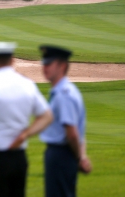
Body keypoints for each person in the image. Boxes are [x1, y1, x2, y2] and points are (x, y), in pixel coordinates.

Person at [0, 42, 53, 197]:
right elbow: (47, 116)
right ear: (12, 60)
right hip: (18, 159)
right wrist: (26, 134)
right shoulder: (27, 84)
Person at [39, 45, 92, 197]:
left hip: (61, 155)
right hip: (62, 155)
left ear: (62, 66)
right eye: (44, 63)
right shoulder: (63, 90)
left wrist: (79, 158)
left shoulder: (64, 94)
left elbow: (73, 133)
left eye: (49, 64)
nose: (44, 67)